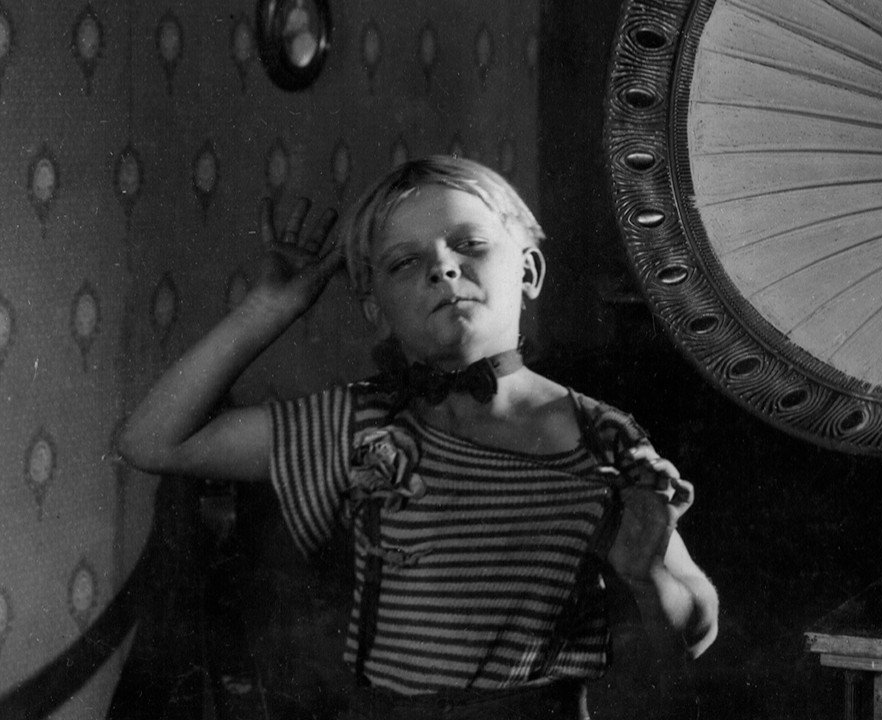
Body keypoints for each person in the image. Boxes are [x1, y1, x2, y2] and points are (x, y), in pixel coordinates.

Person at [118, 155, 719, 719]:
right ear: (373, 308)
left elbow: (697, 630)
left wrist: (649, 576)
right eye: (404, 262)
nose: (443, 268)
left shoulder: (602, 434)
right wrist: (271, 308)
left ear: (529, 270)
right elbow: (150, 443)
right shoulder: (357, 421)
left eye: (470, 244)